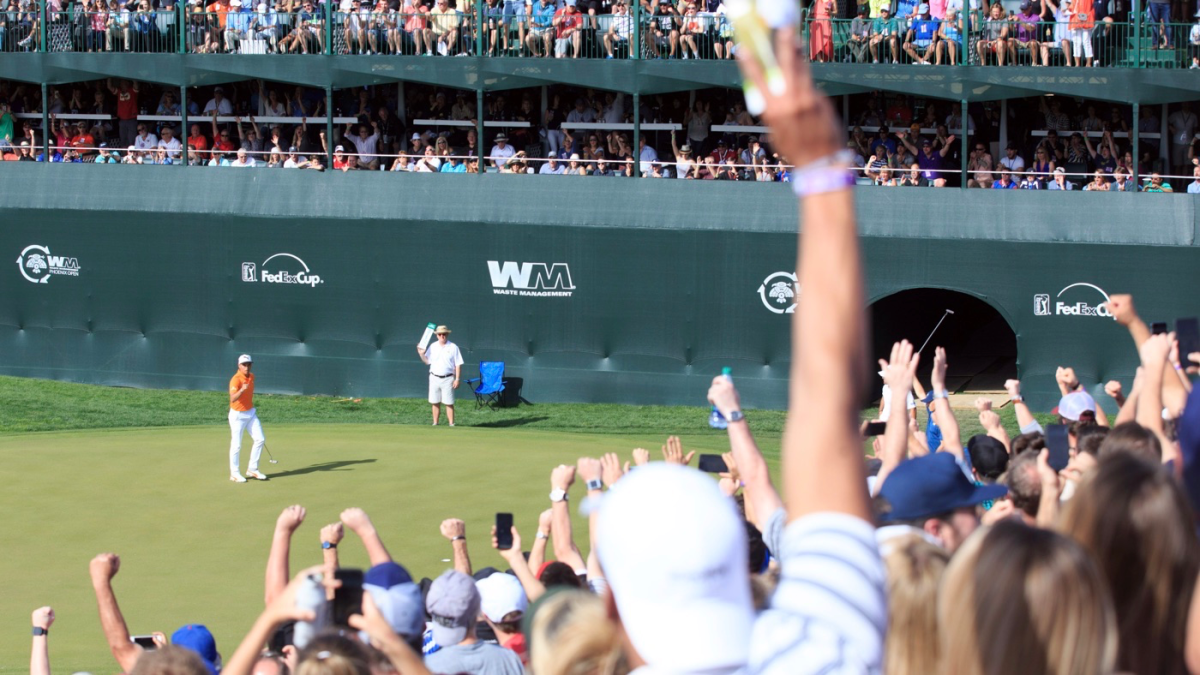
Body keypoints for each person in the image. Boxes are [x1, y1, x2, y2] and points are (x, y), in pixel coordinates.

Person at [228, 353, 268, 482]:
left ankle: (252, 469)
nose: (246, 367)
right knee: (236, 445)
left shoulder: (251, 376)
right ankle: (234, 473)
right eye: (244, 365)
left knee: (260, 439)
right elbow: (232, 399)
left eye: (249, 364)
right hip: (237, 415)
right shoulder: (235, 379)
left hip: (250, 413)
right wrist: (241, 391)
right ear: (239, 365)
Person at [417, 325, 462, 426]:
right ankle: (435, 423)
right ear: (437, 335)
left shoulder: (453, 347)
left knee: (449, 402)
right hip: (434, 377)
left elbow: (458, 364)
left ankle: (451, 424)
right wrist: (421, 354)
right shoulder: (433, 346)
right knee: (435, 401)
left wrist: (457, 379)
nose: (442, 336)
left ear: (447, 335)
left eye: (444, 334)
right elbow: (427, 361)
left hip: (448, 378)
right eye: (440, 334)